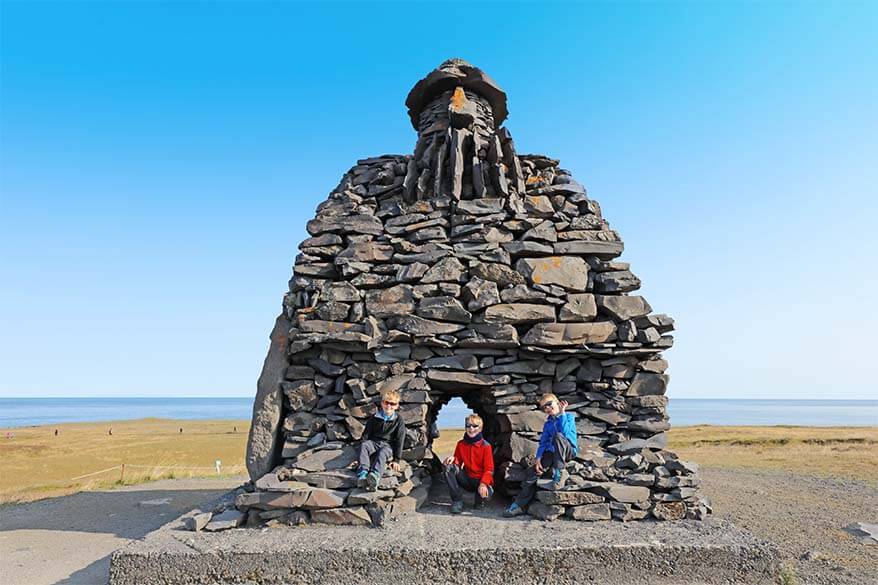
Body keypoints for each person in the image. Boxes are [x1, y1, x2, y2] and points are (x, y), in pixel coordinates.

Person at [504, 393, 578, 517]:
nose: (548, 408)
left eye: (549, 404)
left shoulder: (568, 417)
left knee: (558, 436)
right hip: (552, 453)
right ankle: (519, 505)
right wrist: (538, 459)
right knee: (533, 472)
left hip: (568, 451)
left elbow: (564, 433)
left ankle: (558, 471)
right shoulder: (548, 423)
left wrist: (562, 413)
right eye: (544, 407)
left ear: (557, 402)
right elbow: (543, 443)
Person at [443, 414, 494, 514]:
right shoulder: (461, 444)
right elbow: (458, 463)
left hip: (480, 481)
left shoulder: (486, 446)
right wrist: (453, 459)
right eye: (468, 425)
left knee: (486, 496)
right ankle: (457, 500)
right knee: (448, 467)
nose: (471, 428)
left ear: (480, 429)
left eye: (475, 426)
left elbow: (489, 469)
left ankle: (479, 498)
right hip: (467, 479)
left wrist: (483, 484)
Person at [356, 389, 406, 492]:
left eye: (392, 404)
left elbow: (400, 439)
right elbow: (366, 435)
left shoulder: (398, 420)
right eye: (386, 403)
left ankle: (375, 475)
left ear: (397, 406)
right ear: (382, 403)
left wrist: (396, 460)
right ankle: (363, 473)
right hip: (373, 442)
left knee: (383, 453)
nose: (389, 406)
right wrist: (360, 455)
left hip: (387, 446)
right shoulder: (374, 418)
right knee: (364, 445)